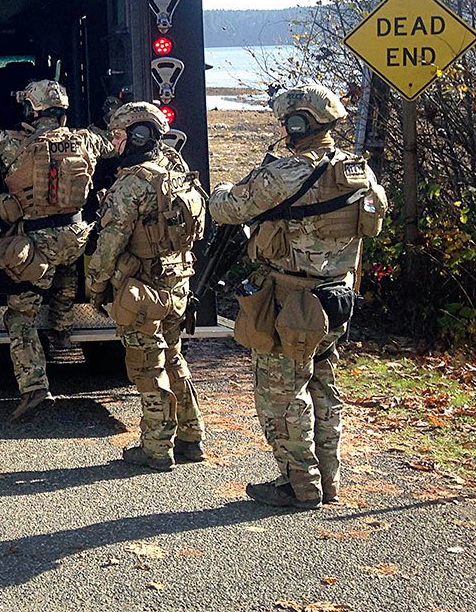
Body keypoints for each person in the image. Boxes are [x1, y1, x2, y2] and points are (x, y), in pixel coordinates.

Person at [210, 84, 387, 510]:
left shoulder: (284, 173)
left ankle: (299, 485)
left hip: (292, 301)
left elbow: (227, 208)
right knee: (324, 389)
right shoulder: (358, 170)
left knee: (281, 394)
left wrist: (221, 189)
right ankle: (329, 480)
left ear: (297, 122)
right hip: (337, 298)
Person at [0, 80, 118, 421]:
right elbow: (114, 143)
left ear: (32, 110)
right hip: (76, 235)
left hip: (35, 243)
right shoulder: (86, 140)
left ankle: (34, 387)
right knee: (63, 269)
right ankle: (61, 329)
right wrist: (113, 113)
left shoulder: (10, 143)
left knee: (19, 315)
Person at [86, 102, 208, 471]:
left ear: (138, 137)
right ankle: (192, 435)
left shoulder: (131, 184)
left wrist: (97, 284)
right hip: (178, 282)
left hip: (142, 289)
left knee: (147, 364)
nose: (116, 144)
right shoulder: (177, 170)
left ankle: (156, 447)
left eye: (120, 136)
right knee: (173, 356)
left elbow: (110, 243)